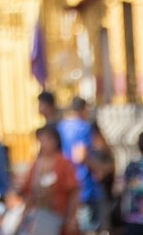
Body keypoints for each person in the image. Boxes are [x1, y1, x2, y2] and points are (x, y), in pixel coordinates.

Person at [19, 122, 79, 235]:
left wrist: (72, 217)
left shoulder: (63, 163)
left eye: (47, 139)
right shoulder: (36, 164)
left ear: (55, 141)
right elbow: (29, 193)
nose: (44, 143)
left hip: (59, 218)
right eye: (41, 140)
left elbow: (74, 191)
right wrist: (23, 217)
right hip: (40, 218)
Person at [58, 98, 97, 231]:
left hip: (63, 180)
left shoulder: (61, 126)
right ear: (82, 110)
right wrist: (98, 168)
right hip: (81, 181)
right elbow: (79, 156)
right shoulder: (83, 127)